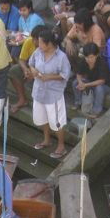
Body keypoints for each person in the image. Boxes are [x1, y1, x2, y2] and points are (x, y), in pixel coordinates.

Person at [29, 31, 71, 159]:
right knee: (42, 118)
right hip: (39, 91)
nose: (38, 44)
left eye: (41, 42)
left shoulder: (61, 57)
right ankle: (46, 140)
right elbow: (31, 63)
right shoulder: (38, 52)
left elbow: (65, 75)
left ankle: (61, 146)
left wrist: (49, 77)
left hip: (54, 94)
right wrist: (34, 71)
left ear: (49, 44)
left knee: (57, 121)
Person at [72, 43, 110, 117]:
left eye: (91, 57)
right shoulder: (84, 61)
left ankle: (96, 110)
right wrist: (80, 82)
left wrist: (85, 85)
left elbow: (102, 81)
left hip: (104, 86)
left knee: (99, 89)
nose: (89, 59)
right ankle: (78, 102)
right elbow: (78, 74)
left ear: (96, 55)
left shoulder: (102, 63)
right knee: (75, 83)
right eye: (87, 57)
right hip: (90, 82)